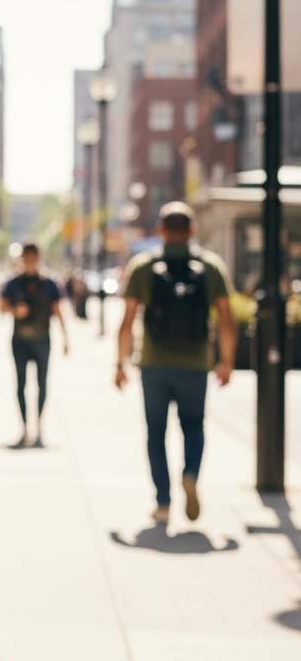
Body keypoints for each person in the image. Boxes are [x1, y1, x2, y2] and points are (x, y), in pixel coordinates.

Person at [114, 202, 235, 523]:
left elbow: (127, 320)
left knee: (156, 434)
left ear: (161, 230)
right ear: (192, 230)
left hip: (153, 363)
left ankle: (163, 503)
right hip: (196, 363)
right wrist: (226, 361)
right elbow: (226, 318)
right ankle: (191, 473)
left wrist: (120, 363)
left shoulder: (143, 266)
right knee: (194, 426)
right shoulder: (210, 266)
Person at [0, 243, 68, 448]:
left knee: (42, 385)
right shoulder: (14, 282)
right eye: (26, 256)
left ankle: (38, 428)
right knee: (20, 385)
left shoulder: (48, 283)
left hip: (42, 340)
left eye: (33, 256)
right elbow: (2, 303)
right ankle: (25, 429)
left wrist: (66, 338)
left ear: (39, 257)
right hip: (20, 341)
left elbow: (57, 310)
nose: (29, 259)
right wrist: (14, 310)